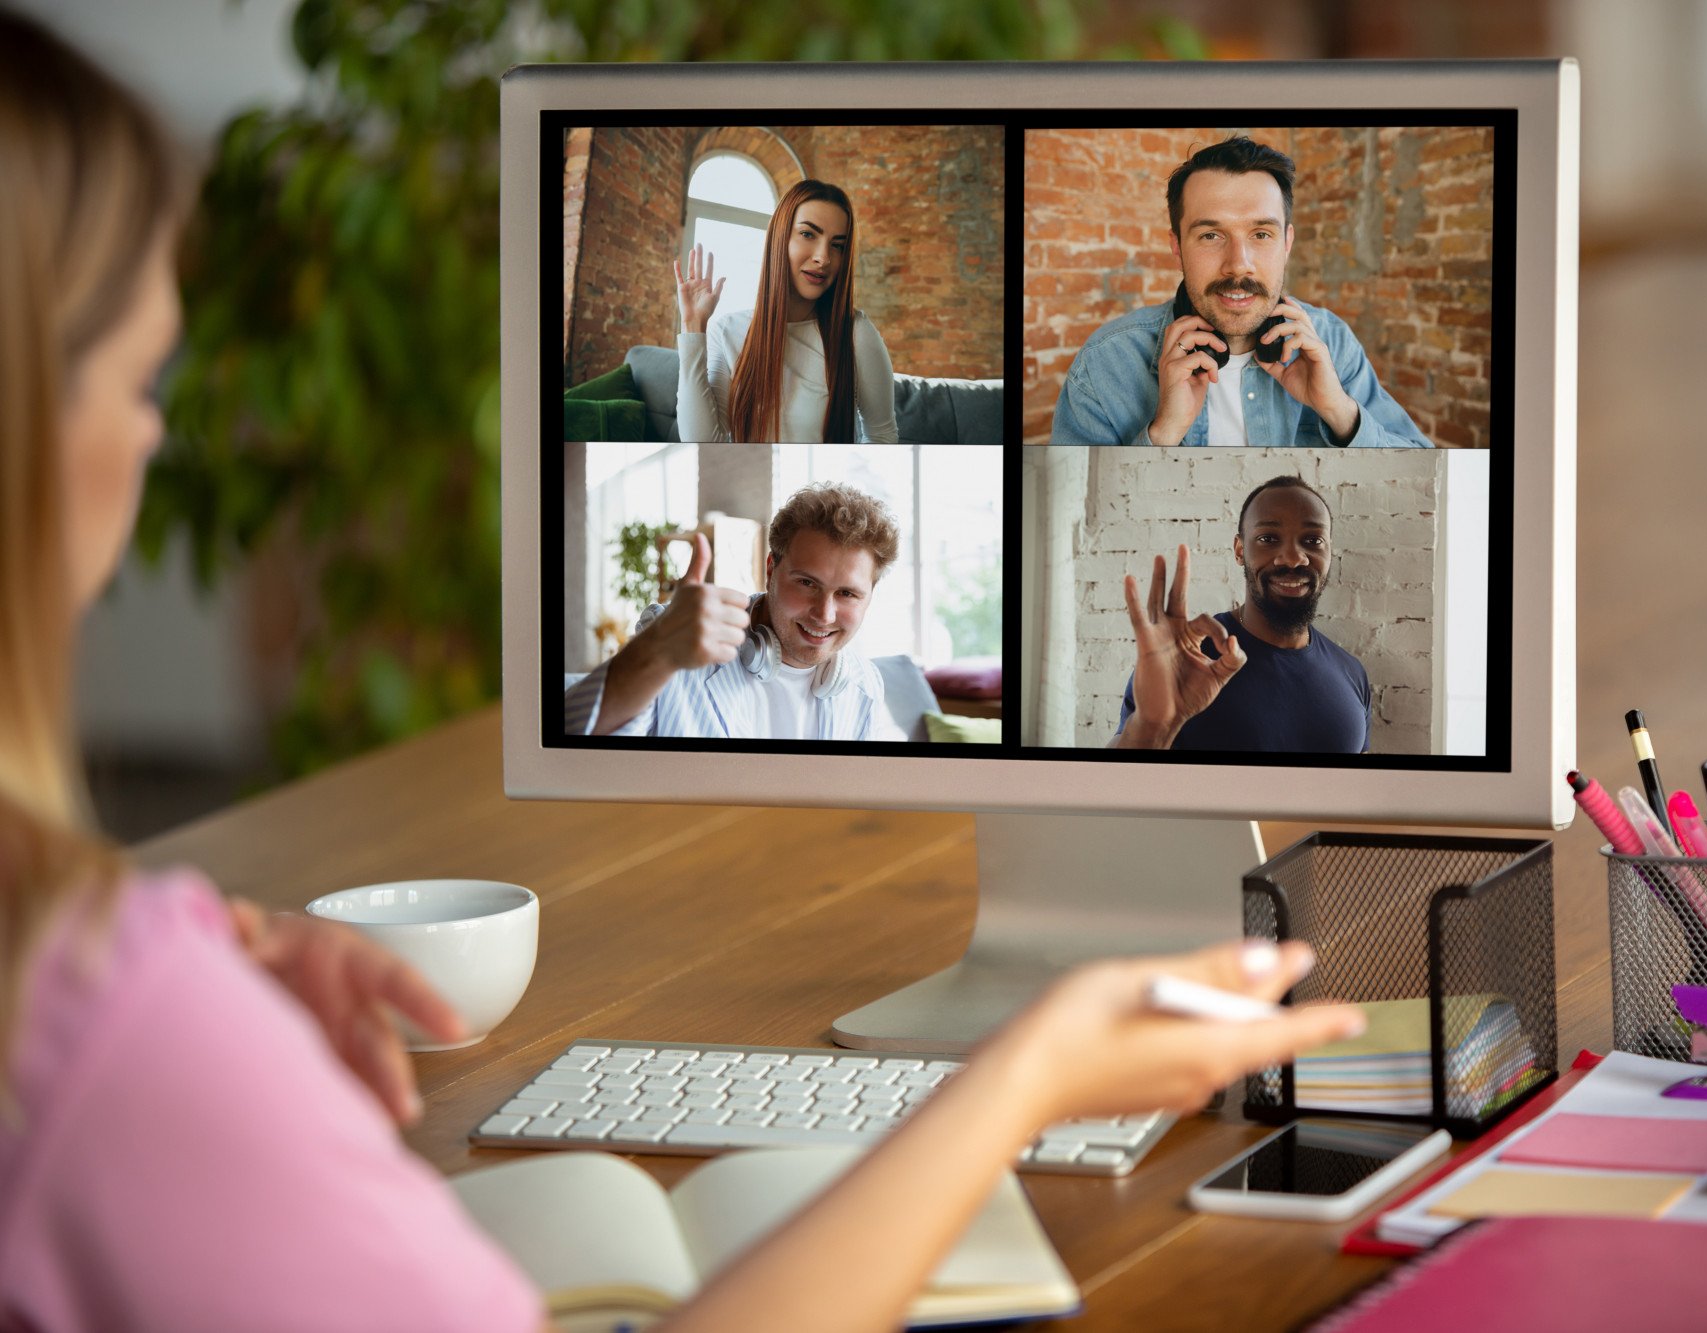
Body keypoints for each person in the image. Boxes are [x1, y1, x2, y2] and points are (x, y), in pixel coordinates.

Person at [0, 18, 1366, 1330]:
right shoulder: (94, 1010)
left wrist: (181, 985)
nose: (159, 432)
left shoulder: (897, 634)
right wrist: (1024, 1084)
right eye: (137, 379)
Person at [1050, 136, 1433, 449]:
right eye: (1211, 236)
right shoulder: (1104, 364)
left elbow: (1422, 477)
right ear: (1177, 247)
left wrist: (1339, 412)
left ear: (1287, 243)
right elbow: (1071, 520)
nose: (1239, 265)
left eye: (1261, 235)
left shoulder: (1331, 342)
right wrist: (1161, 434)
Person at [564, 482, 906, 740]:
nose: (824, 614)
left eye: (847, 594)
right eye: (806, 583)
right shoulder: (677, 637)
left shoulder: (865, 684)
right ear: (771, 568)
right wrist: (658, 651)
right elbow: (573, 734)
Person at [1111, 475, 1371, 752]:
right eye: (1268, 538)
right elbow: (1112, 783)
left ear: (1331, 552)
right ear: (1239, 550)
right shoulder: (1187, 659)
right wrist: (1152, 727)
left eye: (1313, 540)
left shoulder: (1352, 673)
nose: (1294, 558)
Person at [674, 179, 898, 443]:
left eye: (837, 245)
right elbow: (701, 444)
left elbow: (882, 437)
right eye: (808, 234)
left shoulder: (856, 333)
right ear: (780, 238)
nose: (823, 257)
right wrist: (692, 326)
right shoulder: (727, 331)